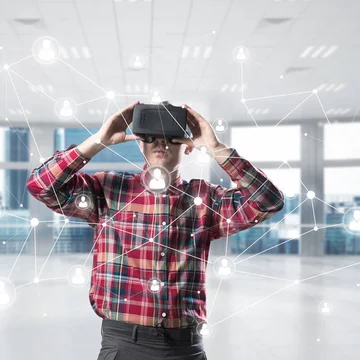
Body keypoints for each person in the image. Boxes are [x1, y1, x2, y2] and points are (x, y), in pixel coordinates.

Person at [26, 102, 284, 360]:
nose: (160, 142)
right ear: (140, 142)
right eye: (150, 136)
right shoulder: (109, 190)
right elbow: (41, 186)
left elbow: (269, 201)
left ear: (188, 144)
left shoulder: (205, 199)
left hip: (186, 347)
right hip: (124, 344)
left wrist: (215, 148)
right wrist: (98, 141)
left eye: (171, 137)